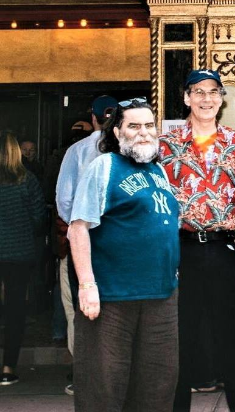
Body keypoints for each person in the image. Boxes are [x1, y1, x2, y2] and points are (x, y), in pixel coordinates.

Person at [67, 97, 180, 411]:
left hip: (161, 297)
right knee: (103, 388)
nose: (144, 132)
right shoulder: (104, 167)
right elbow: (78, 228)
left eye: (149, 125)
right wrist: (87, 285)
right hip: (112, 297)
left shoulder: (158, 170)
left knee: (157, 387)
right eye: (134, 126)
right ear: (117, 132)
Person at [159, 69, 235, 412]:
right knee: (179, 337)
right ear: (187, 98)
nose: (206, 98)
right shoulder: (164, 146)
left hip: (225, 250)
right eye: (198, 92)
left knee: (233, 337)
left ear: (221, 98)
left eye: (213, 91)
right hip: (180, 250)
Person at [55, 96, 117, 395]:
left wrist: (80, 227)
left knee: (78, 309)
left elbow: (64, 200)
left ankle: (85, 374)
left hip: (84, 242)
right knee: (118, 306)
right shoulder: (126, 152)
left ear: (93, 118)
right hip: (117, 243)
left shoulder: (77, 151)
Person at [0, 131, 46, 385]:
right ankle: (8, 367)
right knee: (15, 310)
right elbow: (39, 218)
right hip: (19, 253)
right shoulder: (27, 180)